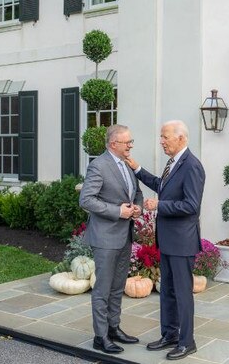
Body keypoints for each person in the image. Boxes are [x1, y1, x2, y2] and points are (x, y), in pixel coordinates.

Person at [125, 120, 205, 361]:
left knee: (182, 293)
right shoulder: (173, 163)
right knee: (168, 291)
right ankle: (169, 334)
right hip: (168, 241)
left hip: (182, 243)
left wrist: (160, 204)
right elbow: (162, 186)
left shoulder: (192, 166)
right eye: (161, 136)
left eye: (165, 137)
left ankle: (187, 342)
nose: (161, 141)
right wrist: (138, 169)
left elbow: (191, 206)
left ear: (181, 138)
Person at [79, 124, 142, 354]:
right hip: (105, 238)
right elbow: (86, 200)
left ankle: (114, 329)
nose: (131, 145)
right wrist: (118, 211)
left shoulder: (128, 164)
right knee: (103, 289)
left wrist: (137, 208)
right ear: (113, 144)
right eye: (128, 142)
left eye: (131, 142)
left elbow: (137, 192)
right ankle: (101, 336)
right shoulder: (98, 166)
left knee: (117, 288)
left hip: (124, 236)